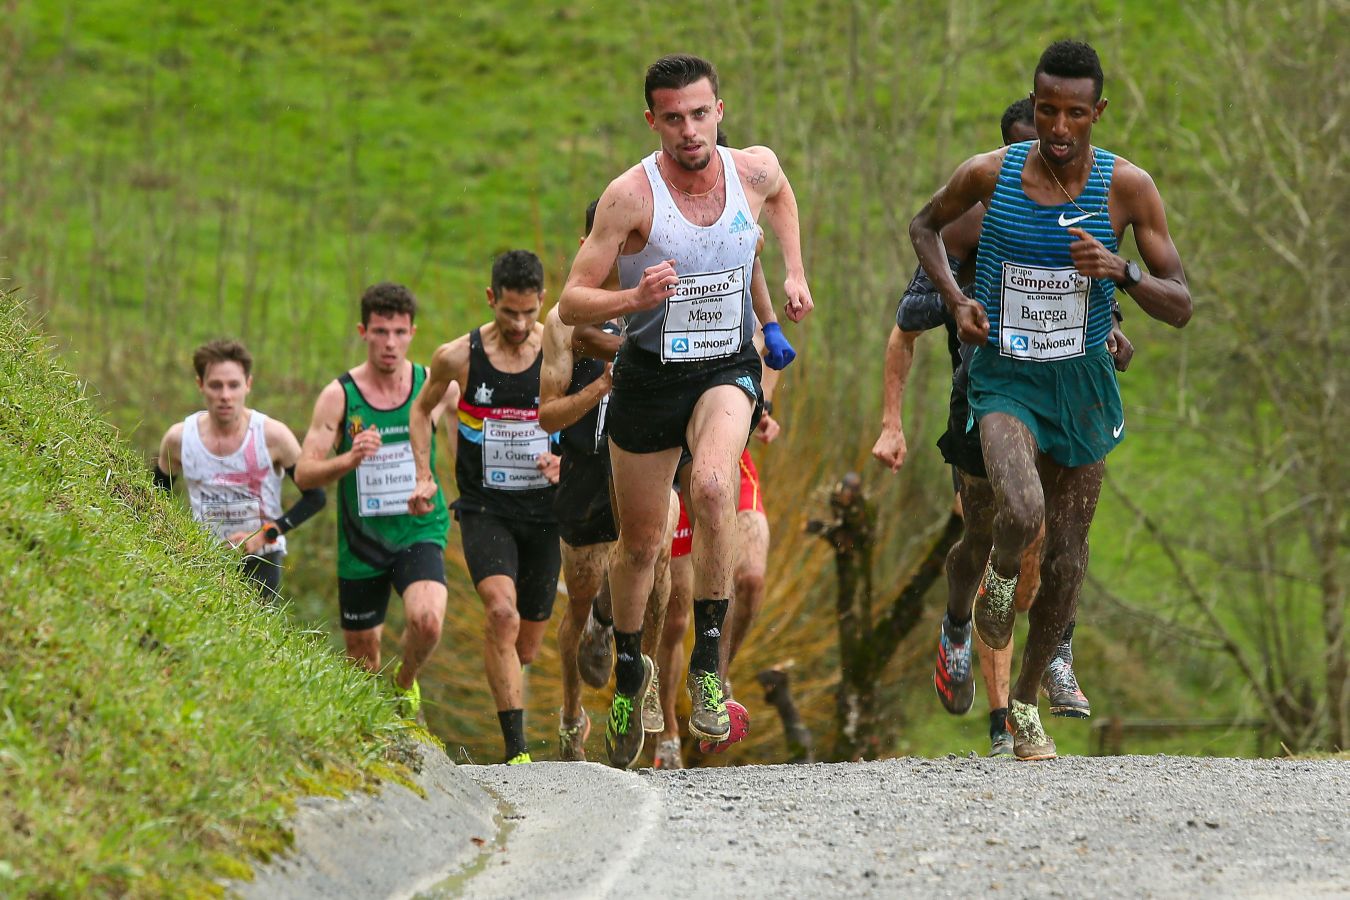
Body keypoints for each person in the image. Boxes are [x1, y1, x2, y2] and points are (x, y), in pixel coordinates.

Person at [909, 40, 1191, 760]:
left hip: (1083, 383)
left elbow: (1181, 303)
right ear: (1032, 108)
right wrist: (958, 298)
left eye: (1073, 113)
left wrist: (1121, 269)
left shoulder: (1128, 188)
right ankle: (997, 587)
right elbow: (924, 225)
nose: (1058, 127)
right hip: (1006, 375)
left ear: (1097, 113)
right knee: (1022, 511)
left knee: (1067, 559)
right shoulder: (988, 175)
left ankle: (1027, 703)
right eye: (1046, 111)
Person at [560, 52, 811, 767]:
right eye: (673, 118)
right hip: (647, 376)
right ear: (653, 121)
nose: (689, 130)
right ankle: (630, 673)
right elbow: (572, 301)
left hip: (726, 368)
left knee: (711, 487)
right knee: (640, 547)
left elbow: (784, 196)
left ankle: (707, 667)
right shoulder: (629, 197)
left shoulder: (754, 170)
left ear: (719, 112)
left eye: (700, 114)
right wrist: (630, 300)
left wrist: (793, 270)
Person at [875, 99, 1131, 755]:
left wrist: (1115, 337)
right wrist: (891, 422)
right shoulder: (969, 221)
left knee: (1061, 537)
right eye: (1030, 155)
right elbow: (904, 329)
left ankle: (1051, 662)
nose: (1046, 168)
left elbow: (1089, 301)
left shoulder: (1080, 211)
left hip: (1063, 396)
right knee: (987, 530)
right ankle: (958, 624)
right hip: (987, 398)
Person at [407, 250, 561, 766]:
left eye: (528, 313)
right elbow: (421, 410)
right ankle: (517, 752)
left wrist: (566, 460)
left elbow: (587, 411)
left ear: (543, 301)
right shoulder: (458, 356)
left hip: (544, 511)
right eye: (508, 313)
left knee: (527, 646)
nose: (519, 325)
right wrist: (425, 474)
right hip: (484, 507)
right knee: (500, 614)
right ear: (491, 299)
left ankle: (511, 692)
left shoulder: (560, 349)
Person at [541, 203, 681, 762]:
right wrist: (599, 388)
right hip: (586, 465)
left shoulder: (667, 298)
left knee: (656, 566)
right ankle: (572, 713)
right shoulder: (563, 319)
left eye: (634, 241)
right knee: (579, 602)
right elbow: (547, 416)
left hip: (647, 460)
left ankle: (635, 693)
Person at [294, 283, 455, 721]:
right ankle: (378, 739)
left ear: (412, 333)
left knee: (427, 622)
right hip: (362, 541)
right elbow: (304, 473)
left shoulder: (432, 385)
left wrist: (445, 488)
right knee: (361, 664)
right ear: (363, 331)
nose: (390, 344)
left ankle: (405, 686)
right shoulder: (340, 396)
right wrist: (350, 457)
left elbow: (473, 435)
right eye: (380, 332)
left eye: (399, 333)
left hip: (419, 529)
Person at [155, 339, 325, 601]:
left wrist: (267, 533)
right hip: (203, 555)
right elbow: (155, 500)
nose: (225, 395)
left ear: (248, 384)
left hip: (263, 556)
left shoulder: (273, 436)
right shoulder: (179, 439)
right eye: (215, 385)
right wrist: (175, 543)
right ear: (200, 385)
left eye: (233, 385)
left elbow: (316, 497)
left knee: (256, 637)